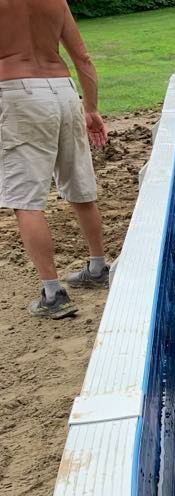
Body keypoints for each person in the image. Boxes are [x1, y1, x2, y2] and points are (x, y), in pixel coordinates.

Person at [1, 0, 110, 320]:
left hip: (16, 91)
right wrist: (90, 108)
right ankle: (98, 266)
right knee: (80, 184)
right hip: (63, 91)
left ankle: (52, 293)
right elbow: (83, 57)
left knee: (26, 201)